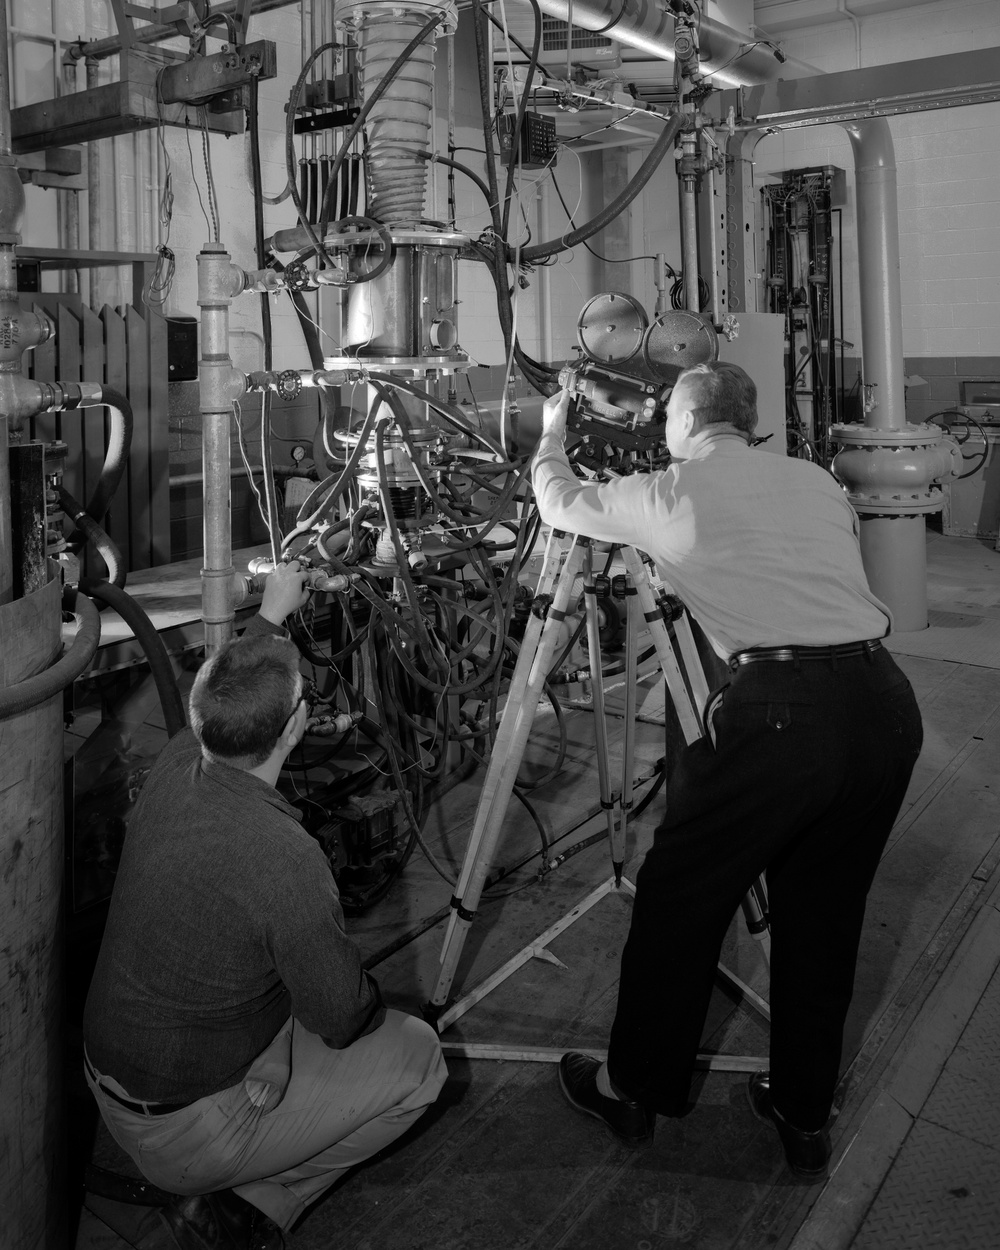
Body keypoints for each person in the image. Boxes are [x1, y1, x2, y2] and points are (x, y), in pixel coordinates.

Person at [532, 362, 923, 1179]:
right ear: (749, 421)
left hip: (783, 714)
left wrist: (550, 431)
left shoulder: (665, 492)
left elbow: (558, 500)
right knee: (825, 914)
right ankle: (802, 1111)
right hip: (885, 706)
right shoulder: (817, 482)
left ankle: (631, 1087)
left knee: (679, 899)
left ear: (681, 420)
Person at [83, 562, 448, 1248]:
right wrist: (350, 1003)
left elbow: (227, 682)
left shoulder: (179, 762)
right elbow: (342, 1019)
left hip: (117, 1075)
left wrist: (273, 613)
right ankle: (254, 1208)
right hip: (181, 1129)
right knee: (421, 1060)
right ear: (299, 724)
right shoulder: (287, 860)